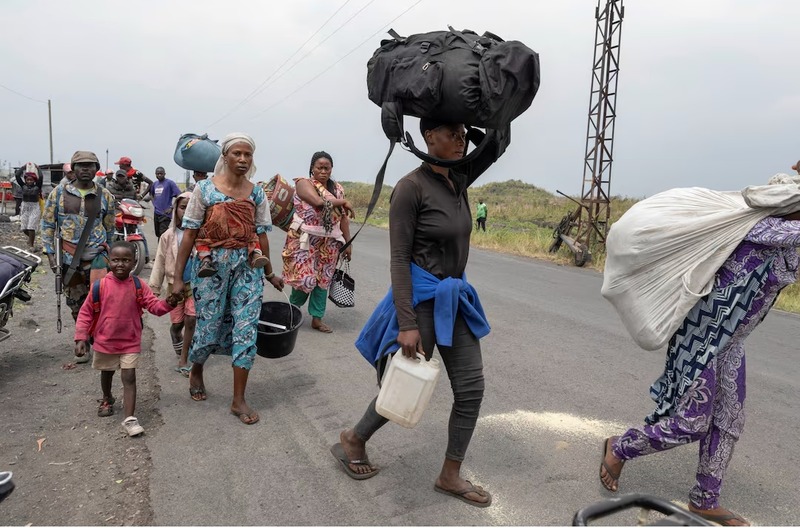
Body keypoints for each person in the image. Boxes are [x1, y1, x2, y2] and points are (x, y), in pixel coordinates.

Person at [331, 119, 508, 508]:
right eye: (453, 134)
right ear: (429, 137)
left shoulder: (459, 180)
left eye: (464, 135)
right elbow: (398, 259)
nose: (462, 142)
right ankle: (354, 438)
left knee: (471, 388)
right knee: (404, 385)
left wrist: (483, 117)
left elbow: (496, 145)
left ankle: (449, 474)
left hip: (455, 299)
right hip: (421, 301)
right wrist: (407, 323)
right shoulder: (410, 188)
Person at [598, 199, 800, 526]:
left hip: (731, 341)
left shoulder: (786, 235)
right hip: (702, 335)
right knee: (692, 423)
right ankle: (620, 447)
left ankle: (705, 499)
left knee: (729, 418)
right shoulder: (761, 226)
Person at [172, 133, 284, 425]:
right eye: (237, 154)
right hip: (212, 267)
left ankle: (238, 399)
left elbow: (261, 236)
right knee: (208, 326)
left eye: (248, 155)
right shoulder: (205, 191)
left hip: (248, 266)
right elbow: (190, 236)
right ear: (225, 157)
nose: (243, 160)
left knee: (246, 329)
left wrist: (270, 273)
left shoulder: (257, 193)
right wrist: (177, 278)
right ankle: (196, 369)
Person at [74, 241, 181, 436]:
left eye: (126, 260)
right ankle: (107, 397)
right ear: (109, 261)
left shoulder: (139, 286)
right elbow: (86, 313)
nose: (120, 264)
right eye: (116, 260)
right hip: (105, 341)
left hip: (130, 341)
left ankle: (130, 419)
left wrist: (169, 303)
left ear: (134, 262)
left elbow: (155, 308)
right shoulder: (100, 286)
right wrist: (81, 337)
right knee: (106, 373)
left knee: (129, 377)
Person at [41, 151, 116, 364]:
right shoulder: (59, 193)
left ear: (96, 168)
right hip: (68, 258)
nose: (85, 169)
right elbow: (47, 225)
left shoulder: (105, 195)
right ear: (73, 168)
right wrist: (50, 253)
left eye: (90, 165)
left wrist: (109, 253)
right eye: (81, 165)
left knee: (101, 301)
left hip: (98, 258)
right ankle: (83, 339)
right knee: (76, 302)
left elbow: (110, 228)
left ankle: (99, 340)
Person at [281, 151, 354, 333]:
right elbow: (317, 202)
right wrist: (343, 202)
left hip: (329, 242)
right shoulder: (303, 184)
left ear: (331, 169)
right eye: (319, 168)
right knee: (304, 279)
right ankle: (292, 314)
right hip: (304, 240)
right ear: (312, 168)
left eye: (326, 168)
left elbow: (343, 219)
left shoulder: (337, 189)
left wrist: (348, 243)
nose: (323, 171)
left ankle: (317, 318)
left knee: (323, 280)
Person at [149, 192, 195, 376]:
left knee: (192, 318)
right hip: (173, 286)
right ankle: (176, 335)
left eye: (192, 208)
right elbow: (159, 262)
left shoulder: (201, 234)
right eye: (183, 207)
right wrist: (154, 289)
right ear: (176, 210)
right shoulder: (168, 235)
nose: (187, 211)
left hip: (194, 284)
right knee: (178, 323)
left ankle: (184, 358)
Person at [147, 167, 181, 240]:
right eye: (157, 174)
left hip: (165, 214)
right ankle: (162, 248)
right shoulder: (155, 184)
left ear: (164, 174)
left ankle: (162, 250)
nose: (159, 175)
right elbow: (151, 194)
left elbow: (179, 196)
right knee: (158, 233)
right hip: (157, 213)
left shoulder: (170, 183)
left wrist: (172, 208)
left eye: (161, 174)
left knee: (163, 233)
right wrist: (154, 202)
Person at [15, 163, 42, 250]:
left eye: (31, 180)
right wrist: (23, 167)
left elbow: (41, 177)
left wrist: (38, 169)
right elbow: (17, 175)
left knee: (31, 227)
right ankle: (31, 239)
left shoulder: (37, 186)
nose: (29, 181)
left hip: (34, 207)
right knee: (24, 228)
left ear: (34, 180)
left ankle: (31, 245)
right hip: (25, 207)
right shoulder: (23, 186)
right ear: (25, 180)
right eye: (28, 180)